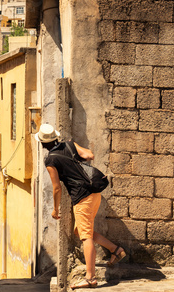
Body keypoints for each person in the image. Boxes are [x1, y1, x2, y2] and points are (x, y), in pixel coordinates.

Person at [35, 124, 126, 289]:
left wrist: (56, 209)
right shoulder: (70, 144)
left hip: (82, 197)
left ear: (42, 144)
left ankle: (90, 278)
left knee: (86, 237)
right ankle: (116, 249)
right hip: (94, 193)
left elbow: (56, 188)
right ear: (55, 137)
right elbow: (90, 155)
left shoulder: (50, 160)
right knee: (81, 231)